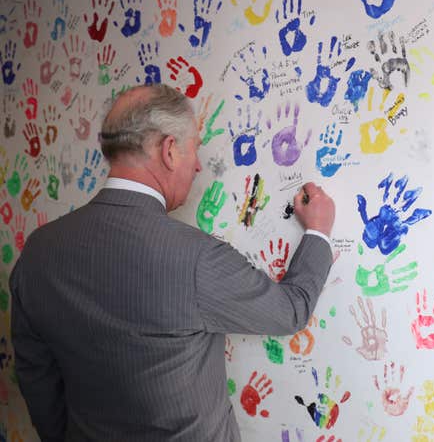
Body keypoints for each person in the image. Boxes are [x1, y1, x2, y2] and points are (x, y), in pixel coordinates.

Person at [10, 84, 335, 441]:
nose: (197, 165)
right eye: (194, 148)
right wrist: (318, 230)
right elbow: (289, 310)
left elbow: (36, 377)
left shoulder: (38, 251)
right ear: (168, 150)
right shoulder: (195, 258)